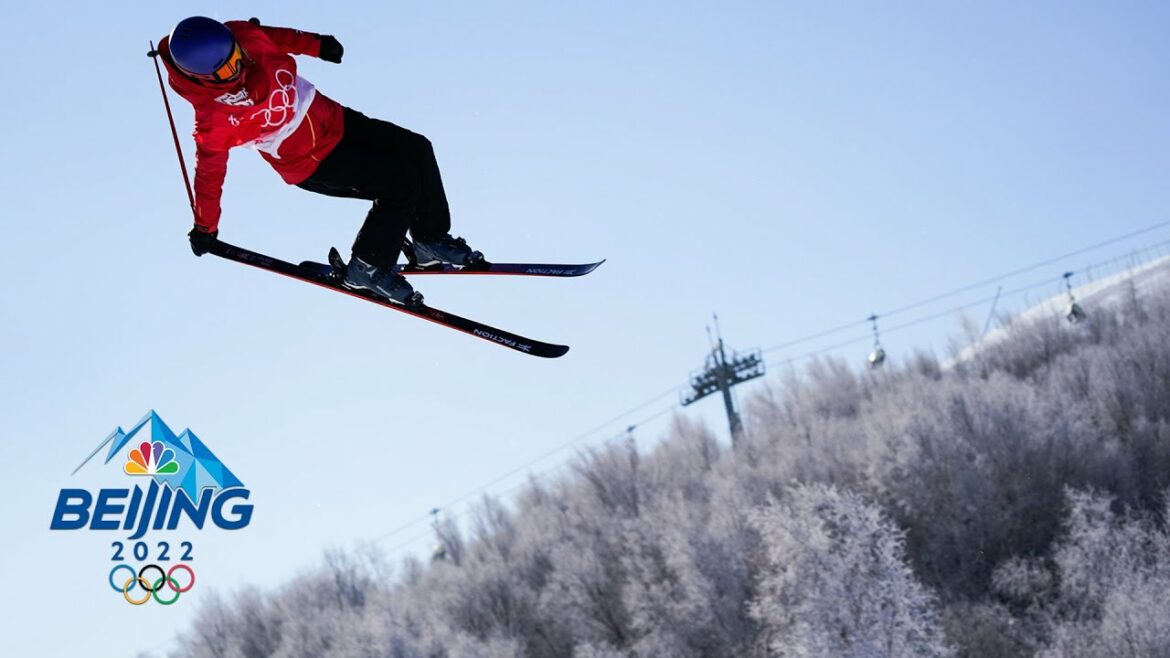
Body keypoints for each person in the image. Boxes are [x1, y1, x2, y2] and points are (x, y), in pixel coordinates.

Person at [158, 16, 482, 305]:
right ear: (206, 78)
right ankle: (366, 267)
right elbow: (209, 176)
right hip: (312, 161)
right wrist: (205, 227)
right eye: (229, 68)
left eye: (238, 55)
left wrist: (317, 44)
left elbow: (274, 37)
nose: (241, 65)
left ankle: (429, 240)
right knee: (399, 181)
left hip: (334, 119)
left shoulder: (242, 36)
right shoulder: (214, 118)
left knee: (417, 148)